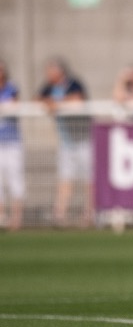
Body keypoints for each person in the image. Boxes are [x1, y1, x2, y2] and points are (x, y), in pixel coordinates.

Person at [37, 58, 92, 228]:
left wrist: (57, 104)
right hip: (66, 143)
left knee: (89, 179)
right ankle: (60, 214)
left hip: (83, 140)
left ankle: (89, 213)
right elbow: (38, 98)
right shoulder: (49, 86)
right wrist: (48, 103)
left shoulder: (74, 83)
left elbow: (78, 99)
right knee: (65, 179)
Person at [0, 61, 23, 231]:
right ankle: (2, 216)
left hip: (12, 142)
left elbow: (14, 104)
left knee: (15, 178)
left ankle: (17, 218)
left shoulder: (11, 87)